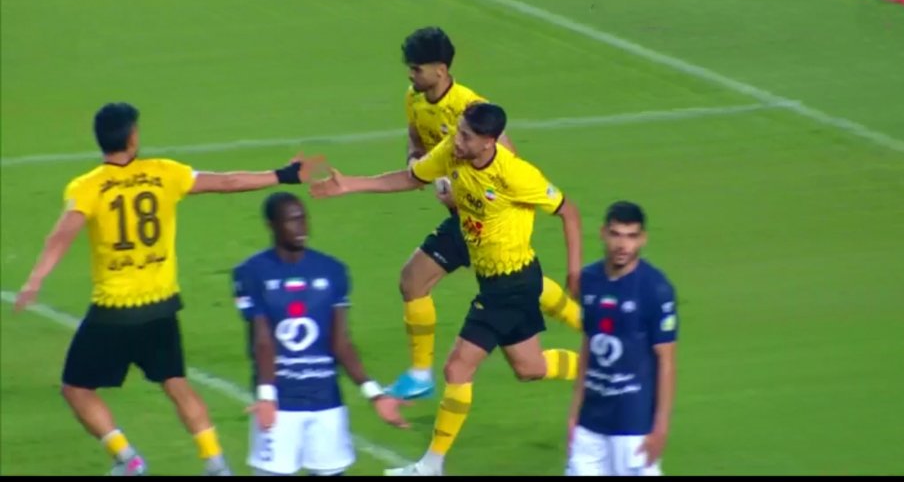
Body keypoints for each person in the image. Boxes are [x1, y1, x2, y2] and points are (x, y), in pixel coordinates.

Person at [12, 102, 321, 476]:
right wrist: (283, 175)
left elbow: (62, 235)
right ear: (132, 137)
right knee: (177, 384)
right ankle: (216, 464)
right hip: (160, 307)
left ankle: (128, 459)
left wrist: (35, 279)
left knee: (75, 388)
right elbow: (227, 182)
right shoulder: (164, 173)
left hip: (113, 312)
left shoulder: (87, 186)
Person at [311, 101, 582, 476]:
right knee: (529, 367)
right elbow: (411, 178)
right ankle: (599, 366)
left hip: (511, 285)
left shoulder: (517, 176)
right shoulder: (453, 152)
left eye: (466, 136)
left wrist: (574, 271)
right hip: (498, 278)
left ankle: (431, 465)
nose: (457, 140)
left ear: (489, 142)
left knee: (457, 369)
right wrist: (351, 185)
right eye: (458, 131)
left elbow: (568, 211)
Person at [391, 26, 582, 401]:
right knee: (418, 282)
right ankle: (419, 375)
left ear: (440, 70)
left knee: (512, 295)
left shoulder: (470, 108)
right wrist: (417, 161)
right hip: (463, 217)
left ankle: (595, 334)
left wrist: (463, 188)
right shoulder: (414, 98)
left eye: (416, 69)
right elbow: (416, 138)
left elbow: (506, 164)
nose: (410, 75)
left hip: (483, 218)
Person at [232, 192, 410, 476]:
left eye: (303, 218)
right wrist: (266, 396)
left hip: (327, 403)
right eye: (292, 220)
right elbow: (262, 341)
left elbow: (341, 343)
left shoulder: (332, 270)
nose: (301, 227)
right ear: (272, 225)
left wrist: (375, 394)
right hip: (280, 405)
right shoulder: (251, 273)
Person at [566, 201, 678, 476]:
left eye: (630, 236)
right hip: (590, 425)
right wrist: (574, 414)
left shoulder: (655, 289)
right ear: (603, 233)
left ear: (642, 239)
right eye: (616, 234)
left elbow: (666, 362)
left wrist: (661, 427)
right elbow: (588, 347)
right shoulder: (589, 280)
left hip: (633, 428)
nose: (622, 245)